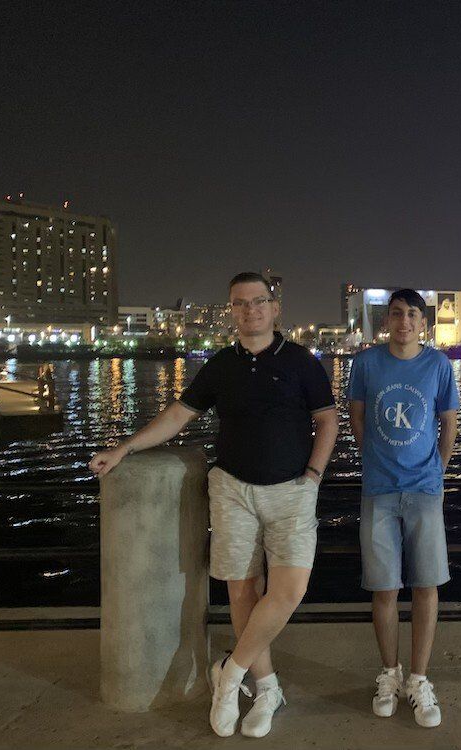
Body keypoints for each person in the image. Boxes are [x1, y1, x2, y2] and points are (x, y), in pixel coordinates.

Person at [89, 271, 338, 739]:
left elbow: (327, 421)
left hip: (292, 490)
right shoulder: (222, 365)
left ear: (275, 307)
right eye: (240, 303)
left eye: (258, 301)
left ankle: (230, 672)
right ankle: (266, 688)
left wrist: (313, 476)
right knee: (243, 592)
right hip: (232, 490)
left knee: (289, 590)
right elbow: (178, 416)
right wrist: (125, 448)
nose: (250, 310)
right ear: (232, 312)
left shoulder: (301, 361)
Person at [347, 288, 459, 728]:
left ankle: (419, 678)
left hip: (424, 489)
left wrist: (438, 472)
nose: (404, 321)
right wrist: (373, 458)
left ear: (423, 322)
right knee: (384, 588)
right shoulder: (366, 364)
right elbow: (357, 417)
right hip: (378, 488)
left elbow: (448, 423)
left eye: (412, 314)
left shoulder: (438, 365)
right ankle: (389, 674)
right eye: (397, 314)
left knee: (427, 584)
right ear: (387, 320)